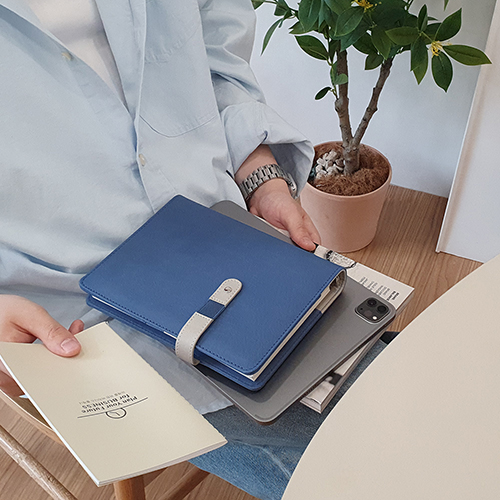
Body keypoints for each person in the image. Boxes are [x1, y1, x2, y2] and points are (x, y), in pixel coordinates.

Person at [0, 1, 385, 498]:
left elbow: (216, 53)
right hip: (69, 307)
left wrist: (260, 175)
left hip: (218, 230)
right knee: (358, 456)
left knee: (386, 393)